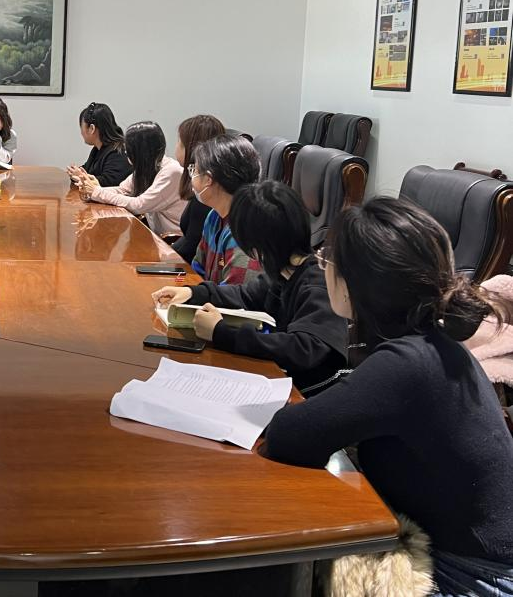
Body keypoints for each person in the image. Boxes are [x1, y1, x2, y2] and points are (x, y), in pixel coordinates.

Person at [263, 198, 513, 594]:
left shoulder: (408, 363)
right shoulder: (432, 342)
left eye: (328, 259)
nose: (322, 266)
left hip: (475, 575)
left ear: (356, 283)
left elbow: (288, 437)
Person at [153, 180, 349, 395]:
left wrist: (221, 333)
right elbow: (246, 295)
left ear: (261, 246)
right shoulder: (284, 271)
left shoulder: (318, 283)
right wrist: (193, 292)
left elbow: (304, 348)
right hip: (280, 379)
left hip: (307, 392)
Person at [76, 121, 186, 235]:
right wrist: (92, 189)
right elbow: (122, 190)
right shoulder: (146, 167)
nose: (125, 151)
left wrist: (97, 192)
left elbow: (139, 205)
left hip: (173, 241)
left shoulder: (171, 172)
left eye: (129, 148)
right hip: (157, 236)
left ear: (142, 150)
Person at [187, 133, 262, 286]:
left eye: (195, 170)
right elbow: (198, 267)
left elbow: (235, 294)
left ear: (208, 179)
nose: (192, 176)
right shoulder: (214, 216)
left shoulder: (245, 231)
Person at [171, 114, 226, 263]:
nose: (176, 147)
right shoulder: (202, 194)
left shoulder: (207, 200)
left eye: (179, 143)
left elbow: (191, 247)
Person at [66, 102, 132, 188]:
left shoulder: (118, 151)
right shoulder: (97, 149)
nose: (81, 132)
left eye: (81, 127)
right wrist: (75, 172)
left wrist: (81, 177)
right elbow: (87, 169)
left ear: (92, 128)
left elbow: (110, 183)